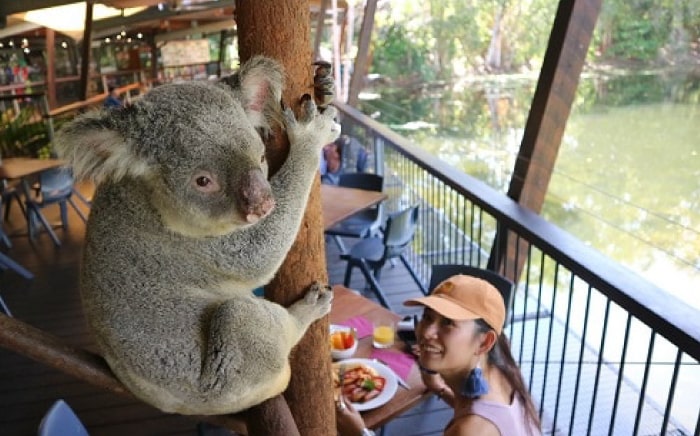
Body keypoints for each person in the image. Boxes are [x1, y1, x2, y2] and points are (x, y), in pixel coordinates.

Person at [336, 274, 542, 436]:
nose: (426, 333)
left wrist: (360, 433)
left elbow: (478, 422)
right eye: (427, 317)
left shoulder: (469, 430)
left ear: (484, 342)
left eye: (448, 323)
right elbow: (481, 408)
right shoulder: (501, 370)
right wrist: (441, 389)